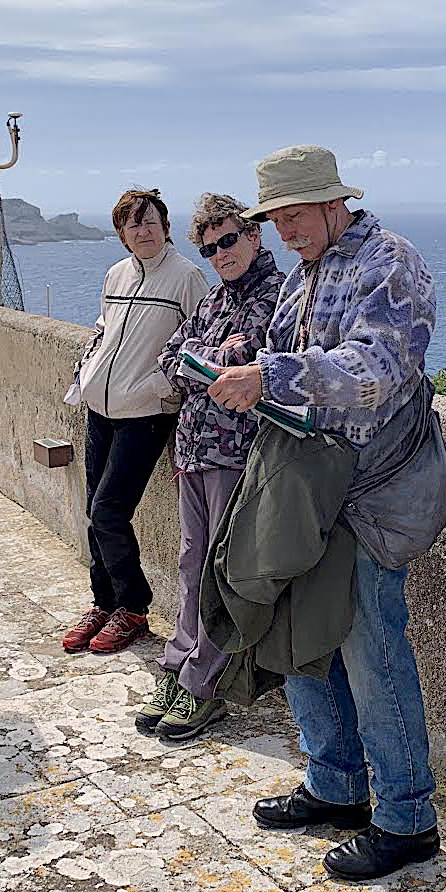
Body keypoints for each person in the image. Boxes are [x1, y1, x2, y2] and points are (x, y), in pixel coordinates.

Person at [208, 145, 442, 881]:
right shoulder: (305, 272)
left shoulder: (389, 262)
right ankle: (335, 786)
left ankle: (407, 819)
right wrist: (247, 355)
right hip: (312, 491)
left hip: (371, 493)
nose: (285, 232)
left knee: (374, 651)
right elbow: (287, 352)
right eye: (276, 220)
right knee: (301, 636)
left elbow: (378, 369)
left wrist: (270, 372)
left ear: (336, 202)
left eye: (296, 216)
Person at [134, 193, 281, 741]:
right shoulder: (215, 300)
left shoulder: (276, 296)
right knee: (191, 562)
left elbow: (254, 364)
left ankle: (204, 684)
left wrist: (210, 359)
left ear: (253, 236)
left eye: (229, 240)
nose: (221, 254)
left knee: (221, 572)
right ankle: (177, 667)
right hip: (194, 450)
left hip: (237, 455)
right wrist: (214, 359)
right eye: (210, 248)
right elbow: (171, 358)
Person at [61, 189, 210, 655]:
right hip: (100, 410)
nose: (142, 230)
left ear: (165, 227)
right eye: (133, 224)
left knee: (109, 511)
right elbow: (103, 329)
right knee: (94, 512)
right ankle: (103, 602)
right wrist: (86, 375)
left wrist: (157, 388)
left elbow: (201, 345)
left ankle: (132, 607)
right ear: (122, 234)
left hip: (145, 415)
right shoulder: (116, 274)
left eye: (150, 222)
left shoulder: (186, 277)